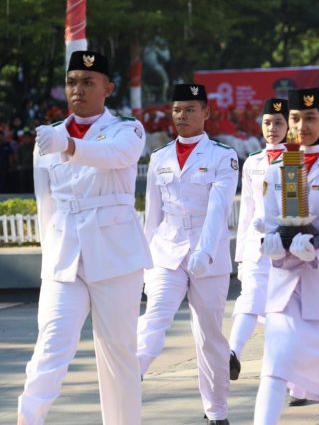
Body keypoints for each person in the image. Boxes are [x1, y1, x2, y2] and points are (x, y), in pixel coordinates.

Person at [18, 50, 152, 425]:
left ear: (107, 88)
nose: (78, 89)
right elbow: (45, 201)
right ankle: (28, 419)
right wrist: (49, 256)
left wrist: (70, 147)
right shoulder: (51, 136)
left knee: (118, 354)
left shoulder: (128, 128)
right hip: (65, 256)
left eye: (88, 82)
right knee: (50, 347)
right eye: (72, 81)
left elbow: (115, 156)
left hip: (114, 255)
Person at [254, 87, 319, 425]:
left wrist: (316, 254)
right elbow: (270, 222)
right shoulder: (278, 168)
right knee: (274, 365)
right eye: (296, 118)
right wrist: (271, 244)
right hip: (287, 287)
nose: (302, 126)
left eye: (310, 118)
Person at [136, 84, 238, 425]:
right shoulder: (159, 157)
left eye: (191, 109)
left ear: (206, 113)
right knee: (155, 317)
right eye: (177, 109)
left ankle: (216, 411)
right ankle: (129, 376)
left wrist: (206, 251)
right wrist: (142, 263)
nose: (182, 116)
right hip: (167, 252)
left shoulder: (223, 155)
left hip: (208, 256)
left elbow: (218, 209)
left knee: (209, 336)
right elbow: (152, 216)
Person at [230, 98, 314, 406]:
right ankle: (232, 353)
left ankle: (298, 384)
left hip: (287, 247)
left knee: (287, 315)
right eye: (267, 123)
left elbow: (300, 209)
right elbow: (247, 211)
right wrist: (240, 256)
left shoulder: (297, 158)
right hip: (256, 245)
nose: (272, 129)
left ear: (289, 126)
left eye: (278, 123)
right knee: (250, 297)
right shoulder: (252, 161)